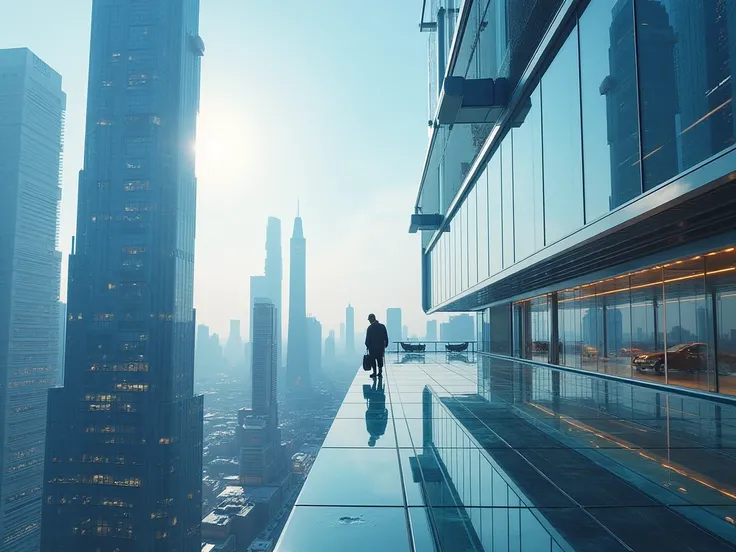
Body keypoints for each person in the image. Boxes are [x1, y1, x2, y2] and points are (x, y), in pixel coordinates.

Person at [363, 379, 387, 447]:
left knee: (378, 389)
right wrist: (368, 412)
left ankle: (379, 377)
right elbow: (368, 420)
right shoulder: (370, 431)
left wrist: (385, 412)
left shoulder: (381, 432)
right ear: (371, 441)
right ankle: (376, 379)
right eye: (370, 441)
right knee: (374, 391)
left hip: (379, 407)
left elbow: (385, 421)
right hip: (373, 407)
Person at [365, 313, 389, 378]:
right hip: (380, 347)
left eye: (369, 319)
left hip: (372, 348)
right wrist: (386, 344)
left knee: (373, 360)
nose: (369, 321)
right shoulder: (382, 326)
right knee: (379, 359)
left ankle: (374, 373)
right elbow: (386, 336)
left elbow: (367, 339)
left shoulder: (369, 328)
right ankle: (380, 372)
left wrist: (367, 346)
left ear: (372, 318)